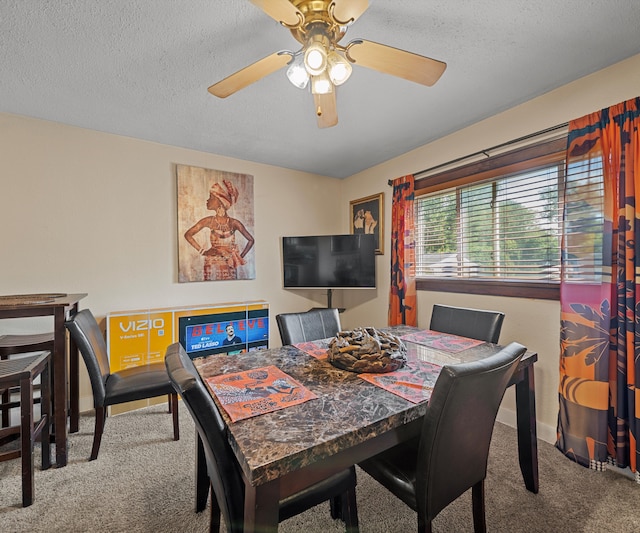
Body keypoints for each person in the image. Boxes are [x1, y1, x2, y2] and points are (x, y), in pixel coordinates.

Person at [184, 180, 255, 280]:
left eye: (211, 198)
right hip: (211, 264)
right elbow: (188, 234)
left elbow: (251, 240)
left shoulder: (234, 223)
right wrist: (203, 251)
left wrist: (239, 257)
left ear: (220, 201)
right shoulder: (208, 221)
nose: (207, 200)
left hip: (229, 265)